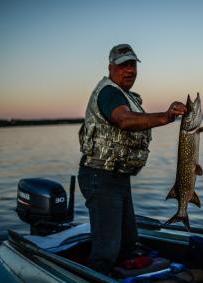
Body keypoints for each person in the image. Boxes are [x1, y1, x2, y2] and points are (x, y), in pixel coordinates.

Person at [78, 43, 187, 273]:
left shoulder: (125, 95)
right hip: (101, 177)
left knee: (128, 245)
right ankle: (96, 276)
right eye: (123, 65)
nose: (129, 70)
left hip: (118, 178)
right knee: (106, 251)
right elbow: (124, 120)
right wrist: (166, 117)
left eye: (133, 65)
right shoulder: (109, 92)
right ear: (110, 67)